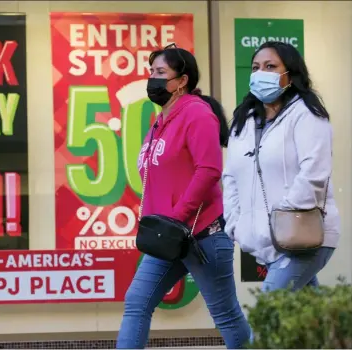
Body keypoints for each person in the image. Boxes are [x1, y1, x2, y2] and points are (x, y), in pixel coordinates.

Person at [116, 44, 251, 349]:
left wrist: (176, 217)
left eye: (161, 72)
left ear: (182, 80)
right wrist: (166, 225)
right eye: (151, 72)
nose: (153, 78)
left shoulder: (197, 114)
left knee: (225, 316)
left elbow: (209, 170)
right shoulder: (160, 122)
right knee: (137, 302)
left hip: (201, 235)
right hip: (169, 237)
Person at [222, 41, 339, 293]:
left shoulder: (306, 114)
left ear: (289, 74)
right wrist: (235, 223)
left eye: (270, 66)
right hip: (267, 242)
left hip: (303, 236)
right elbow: (230, 176)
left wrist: (280, 218)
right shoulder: (244, 122)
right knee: (303, 322)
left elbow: (314, 173)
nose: (260, 73)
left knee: (269, 317)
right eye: (255, 67)